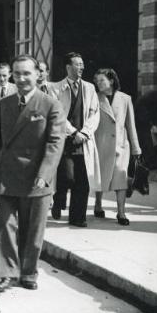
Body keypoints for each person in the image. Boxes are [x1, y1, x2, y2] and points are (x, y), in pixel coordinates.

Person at [0, 55, 65, 292]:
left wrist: (45, 173)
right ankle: (7, 274)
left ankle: (29, 272)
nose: (21, 79)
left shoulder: (51, 105)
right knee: (5, 227)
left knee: (34, 230)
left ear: (37, 75)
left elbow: (55, 142)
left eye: (26, 73)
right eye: (17, 74)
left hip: (37, 177)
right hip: (7, 175)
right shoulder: (4, 104)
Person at [49, 52, 101, 227]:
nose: (82, 67)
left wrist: (85, 133)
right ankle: (59, 199)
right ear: (68, 67)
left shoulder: (90, 88)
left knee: (83, 180)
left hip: (84, 141)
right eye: (78, 64)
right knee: (68, 176)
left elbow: (95, 113)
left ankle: (78, 218)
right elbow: (57, 115)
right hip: (65, 140)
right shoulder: (55, 88)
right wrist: (73, 133)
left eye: (82, 64)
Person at [92, 69, 141, 226]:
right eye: (97, 81)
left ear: (111, 81)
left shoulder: (125, 99)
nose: (98, 83)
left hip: (120, 145)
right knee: (101, 176)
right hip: (100, 143)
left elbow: (130, 125)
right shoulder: (94, 98)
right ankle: (98, 204)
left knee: (121, 177)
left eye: (102, 80)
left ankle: (121, 213)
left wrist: (136, 148)